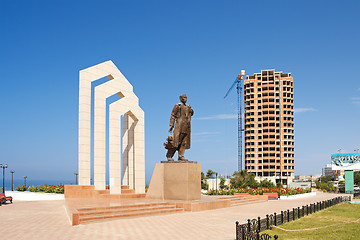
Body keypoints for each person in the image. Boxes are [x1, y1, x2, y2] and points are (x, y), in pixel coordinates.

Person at [164, 94, 194, 161]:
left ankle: (181, 156)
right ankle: (169, 155)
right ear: (180, 98)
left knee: (184, 142)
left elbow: (191, 114)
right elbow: (173, 115)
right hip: (179, 125)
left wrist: (191, 110)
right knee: (175, 141)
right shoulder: (178, 106)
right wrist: (171, 125)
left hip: (186, 126)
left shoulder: (188, 107)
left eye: (186, 97)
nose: (184, 99)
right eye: (183, 97)